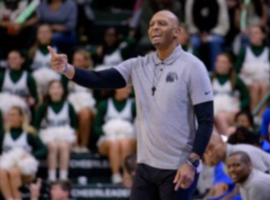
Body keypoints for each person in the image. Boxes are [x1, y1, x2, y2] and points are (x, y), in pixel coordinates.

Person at [48, 10, 214, 200]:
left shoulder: (193, 67)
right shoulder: (138, 65)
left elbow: (206, 120)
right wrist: (67, 69)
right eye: (151, 24)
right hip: (145, 166)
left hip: (178, 167)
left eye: (162, 23)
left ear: (176, 32)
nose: (155, 27)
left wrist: (192, 162)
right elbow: (99, 78)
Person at [0, 106, 47, 200]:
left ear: (21, 117)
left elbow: (44, 149)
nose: (11, 117)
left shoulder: (29, 132)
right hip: (7, 167)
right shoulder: (4, 132)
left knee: (14, 171)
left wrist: (31, 155)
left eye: (14, 115)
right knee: (1, 172)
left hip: (25, 168)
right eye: (9, 115)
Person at [34, 80, 77, 182]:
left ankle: (63, 177)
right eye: (53, 88)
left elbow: (75, 126)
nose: (56, 91)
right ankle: (52, 176)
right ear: (49, 91)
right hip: (48, 135)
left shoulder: (69, 106)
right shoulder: (43, 107)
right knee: (53, 146)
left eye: (58, 88)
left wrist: (75, 139)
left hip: (65, 136)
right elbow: (35, 127)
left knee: (63, 146)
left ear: (63, 91)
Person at [93, 86, 137, 184]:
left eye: (130, 89)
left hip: (127, 139)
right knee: (114, 143)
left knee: (124, 142)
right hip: (108, 138)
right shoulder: (104, 104)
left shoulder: (133, 105)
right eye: (126, 88)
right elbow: (96, 128)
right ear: (117, 89)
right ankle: (116, 175)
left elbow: (138, 125)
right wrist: (110, 131)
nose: (129, 91)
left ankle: (126, 174)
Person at [235, 25, 270, 115]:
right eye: (251, 33)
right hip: (248, 84)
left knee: (263, 86)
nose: (253, 35)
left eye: (256, 33)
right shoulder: (244, 51)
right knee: (255, 87)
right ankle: (253, 116)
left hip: (265, 83)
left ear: (263, 35)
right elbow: (235, 71)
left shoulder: (269, 52)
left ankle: (262, 117)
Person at [212, 53, 250, 136]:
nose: (219, 65)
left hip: (231, 111)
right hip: (214, 111)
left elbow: (246, 99)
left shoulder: (236, 80)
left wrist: (239, 108)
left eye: (223, 62)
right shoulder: (210, 79)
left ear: (230, 65)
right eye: (218, 61)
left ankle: (229, 140)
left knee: (221, 116)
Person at [205, 132, 270, 173]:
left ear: (222, 142)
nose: (210, 154)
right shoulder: (225, 166)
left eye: (211, 148)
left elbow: (267, 176)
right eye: (206, 152)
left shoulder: (244, 152)